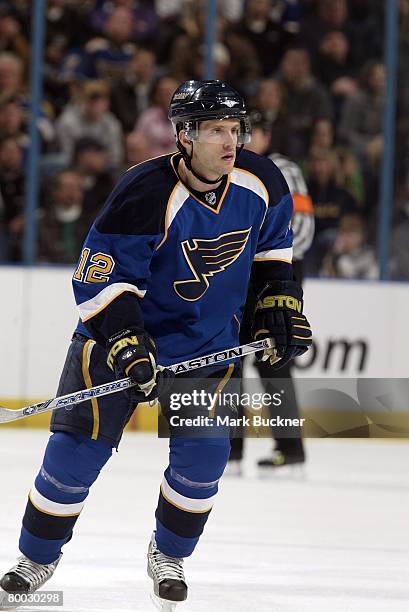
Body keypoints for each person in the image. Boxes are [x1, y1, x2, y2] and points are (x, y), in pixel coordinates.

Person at [0, 80, 312, 610]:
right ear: (185, 135)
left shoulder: (262, 181)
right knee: (74, 455)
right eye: (216, 130)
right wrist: (127, 344)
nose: (229, 141)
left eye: (235, 129)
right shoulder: (143, 191)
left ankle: (169, 555)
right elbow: (100, 280)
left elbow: (272, 258)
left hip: (204, 347)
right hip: (119, 340)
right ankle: (35, 559)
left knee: (205, 460)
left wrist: (277, 306)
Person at [228, 110, 315, 472]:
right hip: (237, 277)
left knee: (274, 360)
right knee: (225, 361)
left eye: (249, 131)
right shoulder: (232, 169)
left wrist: (268, 262)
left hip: (276, 275)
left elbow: (303, 227)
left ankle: (291, 450)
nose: (241, 139)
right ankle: (228, 450)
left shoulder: (281, 169)